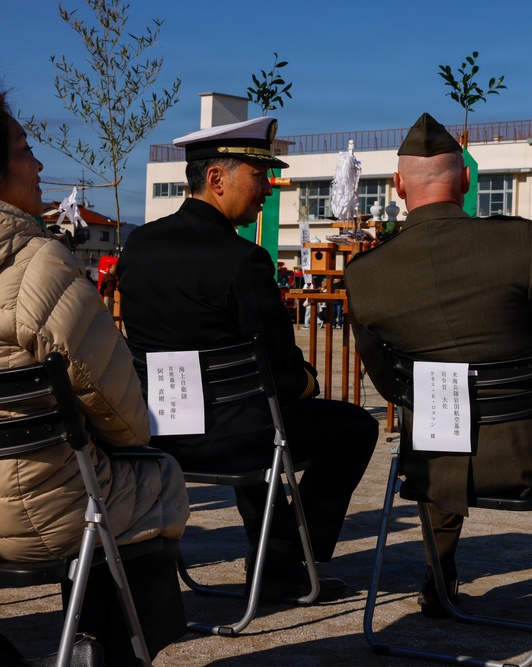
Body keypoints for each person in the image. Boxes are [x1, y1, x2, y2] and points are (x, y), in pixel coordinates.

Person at [346, 112, 532, 636]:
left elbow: (387, 381)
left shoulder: (366, 274)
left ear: (397, 186)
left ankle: (438, 582)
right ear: (466, 180)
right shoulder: (515, 243)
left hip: (433, 462)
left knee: (433, 422)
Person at [117, 116, 378, 601]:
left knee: (254, 415)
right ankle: (285, 557)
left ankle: (275, 561)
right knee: (350, 426)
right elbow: (277, 366)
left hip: (159, 432)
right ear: (217, 179)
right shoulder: (243, 259)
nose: (267, 192)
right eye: (258, 177)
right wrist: (307, 382)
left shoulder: (138, 244)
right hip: (235, 436)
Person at [0, 89, 189, 661]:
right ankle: (108, 649)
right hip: (29, 509)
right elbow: (126, 417)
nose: (38, 165)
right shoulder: (39, 267)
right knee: (153, 475)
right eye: (25, 149)